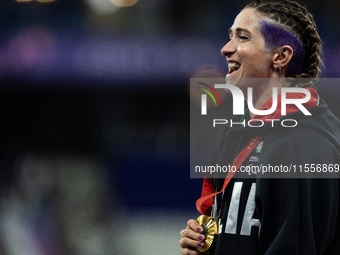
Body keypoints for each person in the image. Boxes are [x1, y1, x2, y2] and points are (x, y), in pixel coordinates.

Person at [179, 0, 340, 254]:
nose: (225, 49)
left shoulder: (302, 141)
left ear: (281, 56)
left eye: (242, 37)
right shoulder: (242, 133)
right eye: (229, 36)